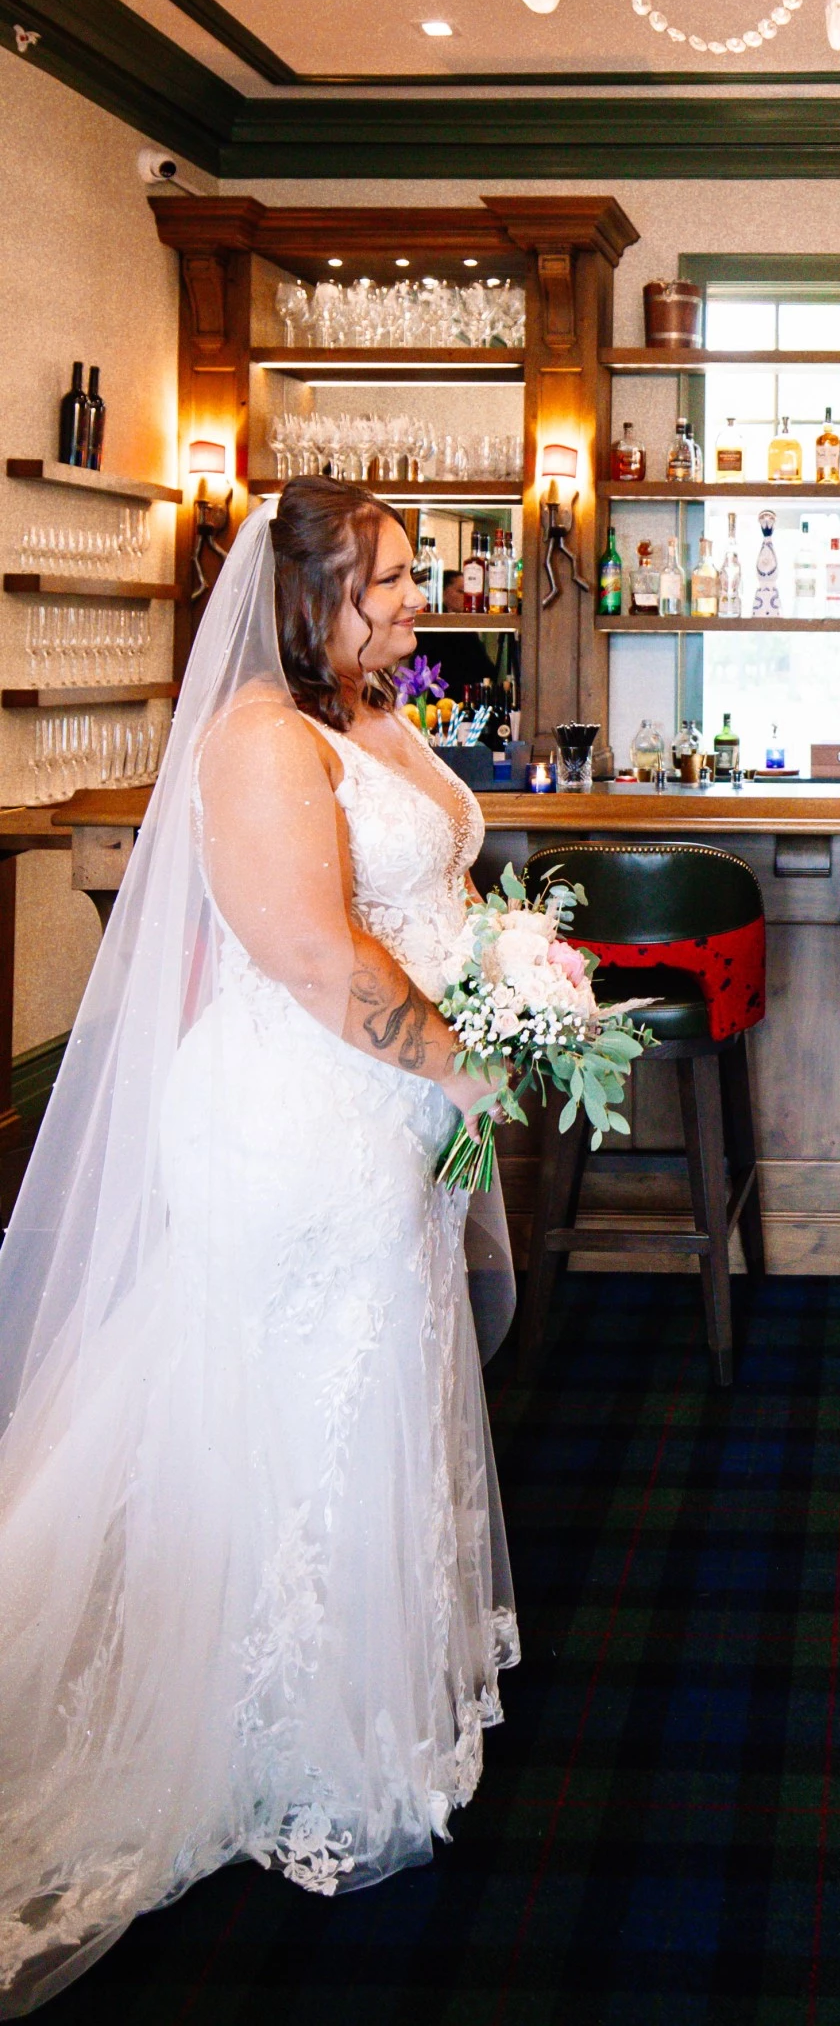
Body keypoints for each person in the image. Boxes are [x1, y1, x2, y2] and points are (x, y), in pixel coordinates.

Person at [0, 482, 517, 2011]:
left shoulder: (369, 710)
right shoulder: (256, 740)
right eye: (392, 583)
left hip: (379, 1125)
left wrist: (505, 969)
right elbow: (305, 951)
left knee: (357, 1402)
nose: (420, 602)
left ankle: (355, 1693)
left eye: (415, 578)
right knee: (289, 1407)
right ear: (308, 599)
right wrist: (462, 1059)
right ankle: (283, 1733)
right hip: (299, 1125)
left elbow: (428, 886)